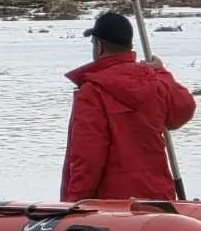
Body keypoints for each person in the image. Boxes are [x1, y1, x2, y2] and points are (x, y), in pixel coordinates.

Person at [61, 10, 195, 202]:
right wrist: (161, 72)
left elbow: (87, 158)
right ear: (129, 45)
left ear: (99, 46)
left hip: (111, 205)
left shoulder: (93, 91)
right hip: (158, 198)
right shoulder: (154, 82)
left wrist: (74, 204)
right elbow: (184, 108)